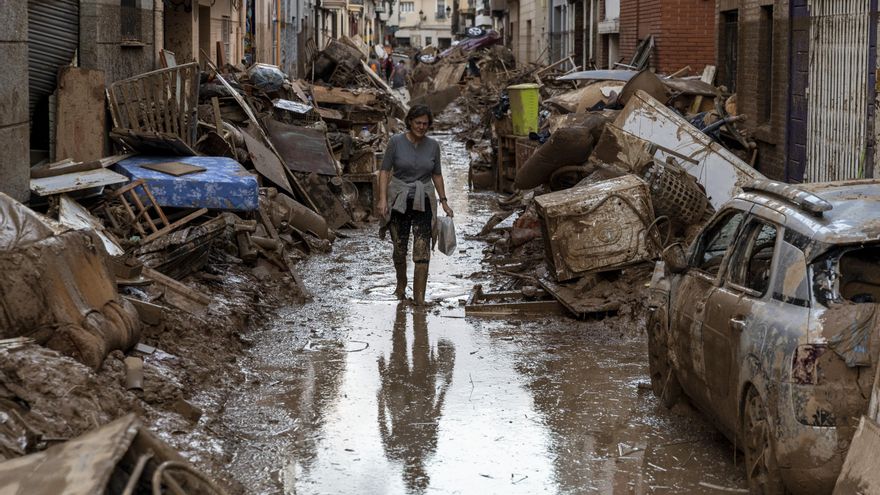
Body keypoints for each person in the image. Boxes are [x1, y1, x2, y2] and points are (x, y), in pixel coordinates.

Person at [377, 105, 453, 305]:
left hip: (424, 200)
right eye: (418, 123)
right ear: (409, 122)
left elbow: (436, 174)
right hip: (399, 200)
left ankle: (419, 298)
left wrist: (444, 201)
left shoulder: (433, 146)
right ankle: (401, 284)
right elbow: (384, 171)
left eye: (425, 124)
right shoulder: (395, 142)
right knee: (399, 249)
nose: (421, 127)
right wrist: (383, 199)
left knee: (422, 251)